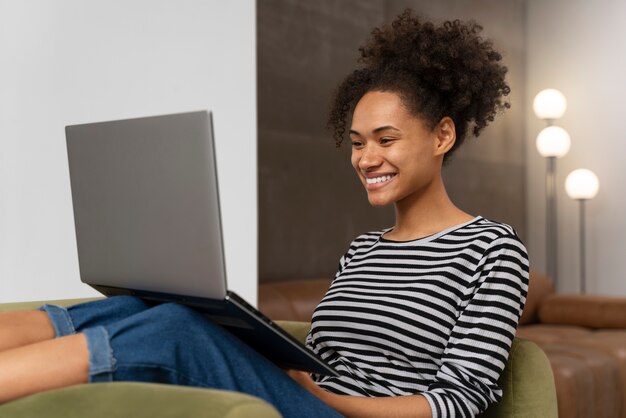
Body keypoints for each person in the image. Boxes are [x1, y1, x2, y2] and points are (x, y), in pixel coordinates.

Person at [0, 10, 527, 418]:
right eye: (357, 142)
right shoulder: (362, 250)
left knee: (178, 330)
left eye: (386, 140)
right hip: (308, 399)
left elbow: (458, 402)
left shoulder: (493, 249)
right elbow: (321, 358)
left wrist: (323, 397)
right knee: (145, 304)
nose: (367, 159)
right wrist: (266, 351)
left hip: (340, 414)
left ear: (443, 135)